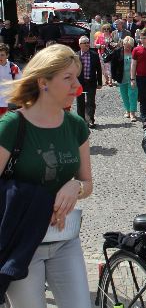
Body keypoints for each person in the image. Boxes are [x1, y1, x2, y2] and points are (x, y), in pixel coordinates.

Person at [0, 44, 93, 308]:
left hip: (65, 241)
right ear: (43, 82)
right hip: (21, 244)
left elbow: (88, 183)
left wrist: (75, 186)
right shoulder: (12, 125)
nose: (77, 86)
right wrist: (33, 201)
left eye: (76, 77)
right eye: (68, 78)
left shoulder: (76, 125)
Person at [107, 36, 138, 122]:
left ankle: (132, 113)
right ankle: (127, 110)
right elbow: (112, 64)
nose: (127, 47)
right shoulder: (118, 51)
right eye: (125, 45)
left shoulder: (135, 51)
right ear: (123, 44)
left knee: (133, 95)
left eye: (129, 46)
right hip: (121, 77)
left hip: (133, 77)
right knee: (124, 95)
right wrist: (112, 77)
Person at [76, 36, 102, 129]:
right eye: (85, 43)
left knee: (91, 102)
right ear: (80, 45)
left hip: (91, 82)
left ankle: (90, 120)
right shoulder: (76, 56)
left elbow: (99, 69)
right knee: (80, 102)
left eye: (88, 42)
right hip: (79, 83)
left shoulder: (94, 55)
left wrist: (100, 82)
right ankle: (81, 121)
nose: (87, 44)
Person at [0, 43, 21, 117]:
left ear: (7, 55)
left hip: (9, 104)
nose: (0, 57)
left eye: (2, 55)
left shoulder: (13, 67)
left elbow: (19, 83)